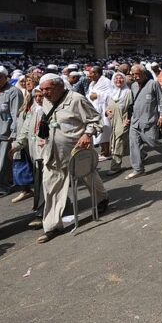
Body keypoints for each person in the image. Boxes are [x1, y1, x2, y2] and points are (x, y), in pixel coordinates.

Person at [34, 74, 108, 243]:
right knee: (51, 189)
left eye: (48, 89)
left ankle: (102, 198)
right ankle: (52, 226)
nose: (45, 93)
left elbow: (95, 120)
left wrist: (88, 134)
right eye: (42, 89)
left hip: (77, 151)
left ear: (60, 87)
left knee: (89, 177)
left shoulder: (76, 99)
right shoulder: (46, 101)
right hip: (53, 153)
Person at [126, 65, 162, 180]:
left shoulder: (153, 84)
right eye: (133, 75)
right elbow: (133, 103)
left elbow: (161, 101)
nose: (135, 77)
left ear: (143, 73)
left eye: (137, 74)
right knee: (134, 145)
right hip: (135, 121)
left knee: (152, 142)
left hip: (149, 120)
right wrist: (128, 117)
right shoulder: (133, 86)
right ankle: (138, 169)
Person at [0, 66, 23, 198]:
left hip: (5, 134)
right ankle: (11, 178)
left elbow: (17, 114)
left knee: (3, 163)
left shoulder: (14, 92)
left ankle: (3, 187)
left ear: (5, 77)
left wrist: (13, 134)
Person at [9, 86, 44, 213]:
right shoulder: (33, 110)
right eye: (37, 96)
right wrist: (17, 145)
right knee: (41, 181)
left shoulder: (53, 109)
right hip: (35, 152)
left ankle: (43, 211)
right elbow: (25, 130)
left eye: (42, 96)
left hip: (51, 151)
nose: (39, 99)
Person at [105, 73, 132, 176]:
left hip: (124, 120)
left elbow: (131, 107)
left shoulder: (128, 92)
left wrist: (128, 119)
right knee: (122, 141)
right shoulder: (111, 93)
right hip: (114, 121)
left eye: (121, 78)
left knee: (118, 141)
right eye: (116, 79)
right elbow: (108, 107)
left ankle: (115, 166)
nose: (118, 80)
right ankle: (141, 154)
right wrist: (107, 112)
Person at [86, 65, 112, 160]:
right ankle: (103, 151)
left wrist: (98, 95)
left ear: (96, 73)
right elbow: (89, 94)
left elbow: (111, 94)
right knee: (98, 130)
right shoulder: (92, 83)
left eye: (91, 73)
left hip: (103, 110)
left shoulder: (106, 82)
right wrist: (91, 96)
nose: (89, 75)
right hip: (95, 110)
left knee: (104, 131)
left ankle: (106, 152)